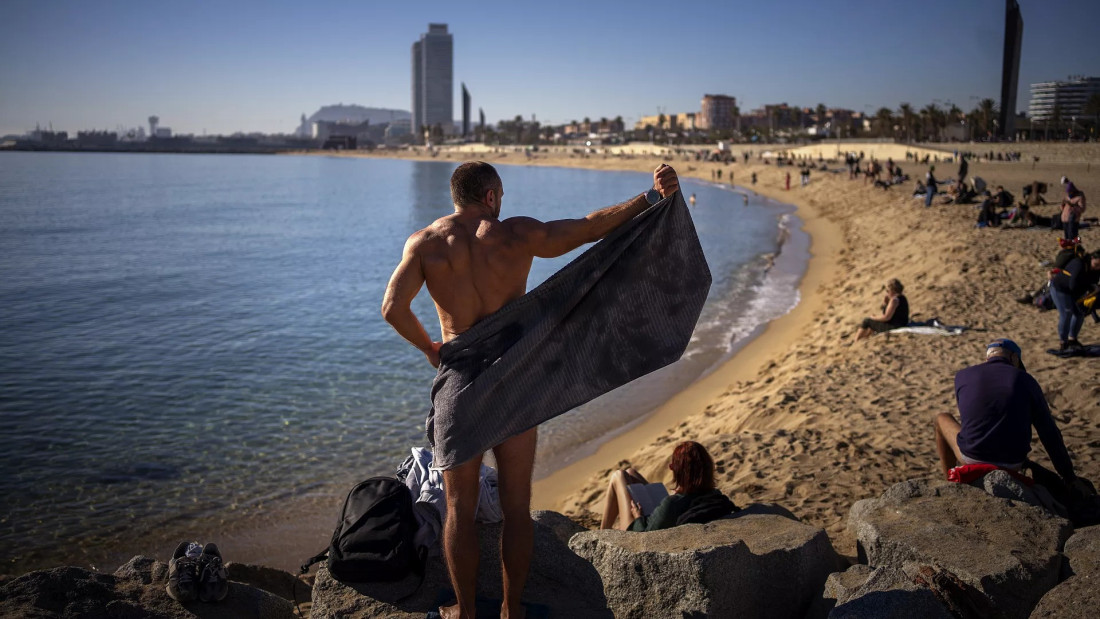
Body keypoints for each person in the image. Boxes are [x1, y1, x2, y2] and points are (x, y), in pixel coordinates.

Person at [381, 161, 681, 619]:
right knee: (517, 508)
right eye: (500, 196)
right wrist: (650, 197)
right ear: (491, 196)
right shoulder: (516, 234)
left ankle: (466, 611)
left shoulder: (425, 243)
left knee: (459, 508)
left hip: (460, 386)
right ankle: (512, 609)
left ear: (456, 196)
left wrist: (430, 348)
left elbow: (392, 308)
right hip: (516, 381)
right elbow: (586, 229)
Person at [934, 339, 1089, 494]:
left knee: (942, 418)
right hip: (1013, 462)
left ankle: (950, 482)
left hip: (972, 457)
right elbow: (1049, 433)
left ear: (988, 358)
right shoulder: (1026, 380)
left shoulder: (962, 375)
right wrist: (1069, 476)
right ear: (1014, 358)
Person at [600, 441, 736, 532]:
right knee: (631, 473)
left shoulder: (672, 504)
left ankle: (601, 534)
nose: (671, 468)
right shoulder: (713, 494)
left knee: (619, 475)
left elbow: (644, 533)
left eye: (673, 466)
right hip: (668, 517)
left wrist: (637, 516)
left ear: (679, 471)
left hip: (637, 531)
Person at [1049, 249, 1100, 351]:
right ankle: (1063, 343)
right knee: (1066, 313)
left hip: (1076, 291)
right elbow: (1073, 285)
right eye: (1096, 264)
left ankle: (1073, 340)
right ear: (1092, 258)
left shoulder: (1096, 270)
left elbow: (1092, 284)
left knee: (1079, 314)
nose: (1097, 267)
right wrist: (1083, 296)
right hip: (1060, 289)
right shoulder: (1079, 264)